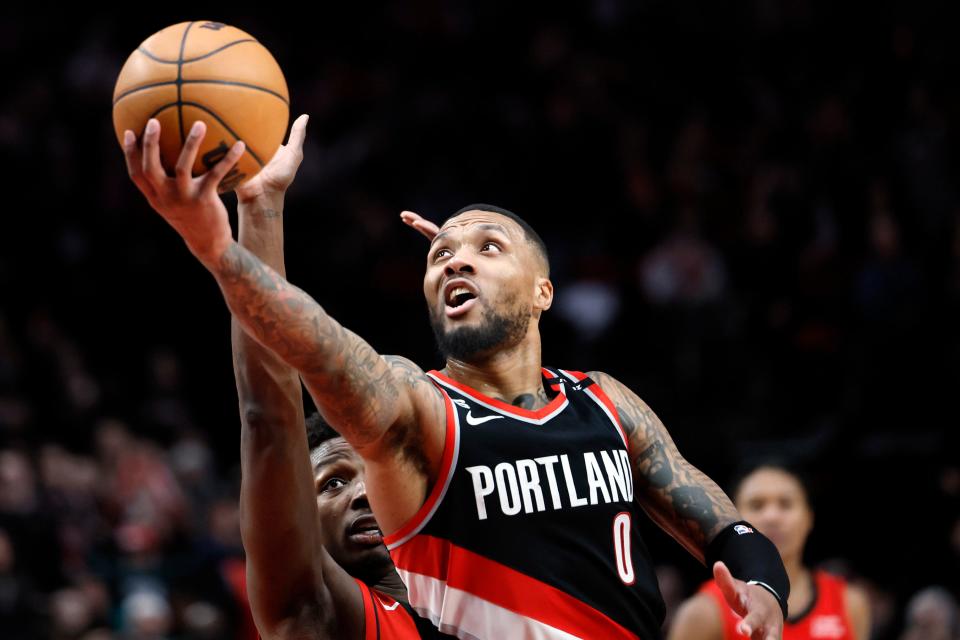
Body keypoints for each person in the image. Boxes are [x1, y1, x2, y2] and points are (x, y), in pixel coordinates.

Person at [123, 116, 789, 640]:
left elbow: (724, 530)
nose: (455, 263)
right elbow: (312, 346)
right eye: (441, 254)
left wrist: (762, 588)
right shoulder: (418, 408)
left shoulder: (606, 400)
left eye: (486, 249)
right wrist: (225, 246)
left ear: (544, 291)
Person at [230, 115, 449, 639]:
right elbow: (268, 419)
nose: (362, 494)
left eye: (375, 473)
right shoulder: (323, 615)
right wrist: (260, 209)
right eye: (332, 483)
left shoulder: (505, 600)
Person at [668, 463, 871, 640]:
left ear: (809, 518)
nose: (772, 516)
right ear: (732, 519)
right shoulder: (704, 610)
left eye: (786, 504)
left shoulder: (850, 603)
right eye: (756, 505)